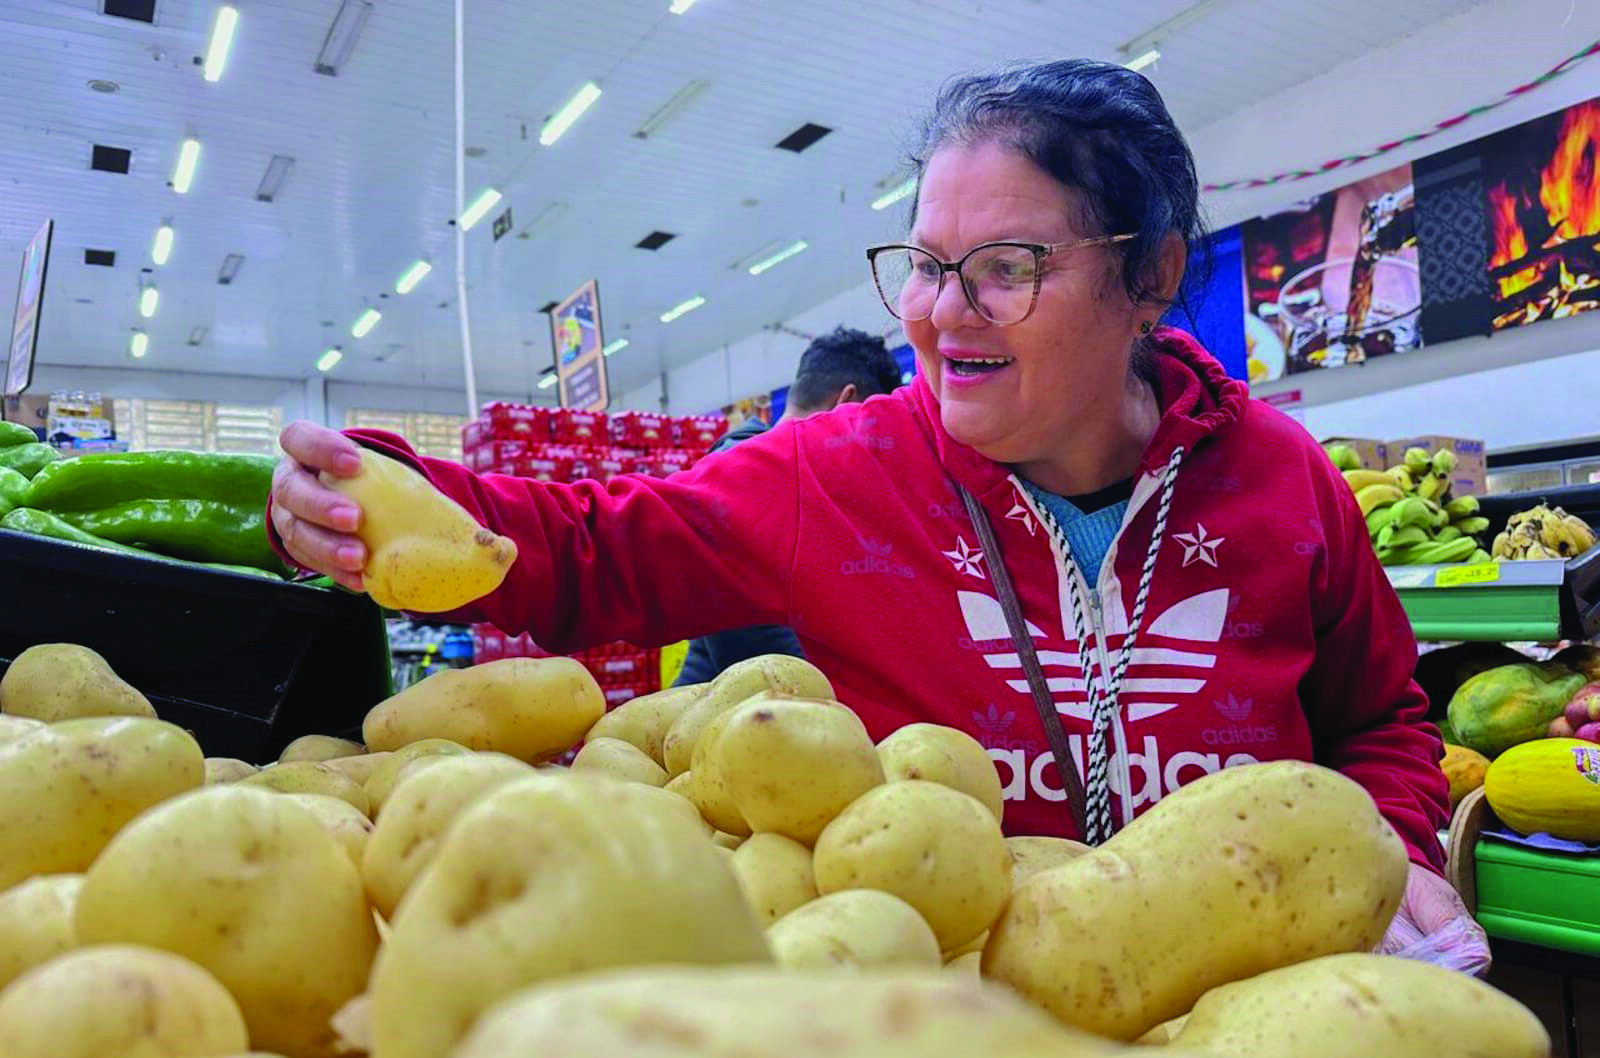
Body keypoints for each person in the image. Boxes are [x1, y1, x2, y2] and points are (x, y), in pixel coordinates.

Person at [269, 59, 1481, 966]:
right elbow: (594, 550)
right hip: (955, 1007)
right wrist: (362, 485)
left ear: (1150, 275)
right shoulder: (836, 473)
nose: (941, 313)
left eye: (1006, 268)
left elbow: (1379, 716)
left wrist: (1400, 847)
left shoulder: (1282, 479)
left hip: (1263, 994)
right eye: (924, 262)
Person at [673, 326, 904, 686]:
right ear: (847, 403)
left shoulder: (803, 480)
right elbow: (750, 634)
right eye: (870, 429)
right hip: (734, 722)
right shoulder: (742, 471)